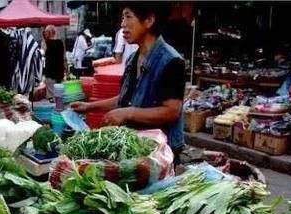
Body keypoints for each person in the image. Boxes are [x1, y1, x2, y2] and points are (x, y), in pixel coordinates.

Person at [72, 3, 186, 163]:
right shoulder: (133, 60)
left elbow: (171, 111)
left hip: (161, 153)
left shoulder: (172, 61)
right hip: (137, 148)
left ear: (148, 21)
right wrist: (89, 107)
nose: (122, 24)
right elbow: (125, 99)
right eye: (122, 18)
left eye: (128, 17)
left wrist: (127, 113)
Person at [42, 25, 66, 98]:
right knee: (59, 96)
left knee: (51, 97)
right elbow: (64, 58)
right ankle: (59, 108)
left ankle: (53, 108)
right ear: (55, 32)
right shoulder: (60, 43)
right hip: (59, 72)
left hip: (50, 73)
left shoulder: (46, 43)